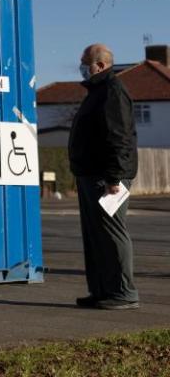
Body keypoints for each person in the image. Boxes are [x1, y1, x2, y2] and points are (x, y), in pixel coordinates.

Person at [69, 43, 139, 310]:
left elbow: (119, 137)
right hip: (91, 174)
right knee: (96, 237)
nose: (81, 67)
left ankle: (123, 292)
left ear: (99, 65)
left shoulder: (112, 91)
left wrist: (114, 177)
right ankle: (102, 290)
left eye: (85, 62)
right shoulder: (98, 92)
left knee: (111, 234)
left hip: (105, 177)